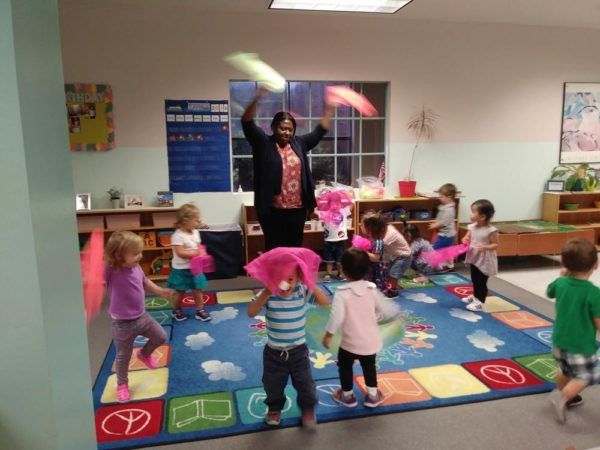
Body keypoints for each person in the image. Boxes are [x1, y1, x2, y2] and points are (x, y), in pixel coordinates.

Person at [242, 86, 335, 250]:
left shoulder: (299, 143)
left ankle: (290, 277)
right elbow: (247, 123)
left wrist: (329, 108)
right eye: (282, 128)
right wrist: (257, 97)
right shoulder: (263, 144)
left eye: (290, 129)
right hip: (272, 210)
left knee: (294, 248)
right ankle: (277, 276)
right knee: (275, 249)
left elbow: (319, 132)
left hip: (297, 210)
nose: (286, 132)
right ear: (273, 128)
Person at [247, 265, 329, 429]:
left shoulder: (301, 291)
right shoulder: (268, 293)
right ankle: (274, 407)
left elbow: (325, 303)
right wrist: (266, 292)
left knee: (305, 384)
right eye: (279, 279)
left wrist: (310, 284)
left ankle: (307, 409)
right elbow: (251, 312)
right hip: (274, 353)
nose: (285, 284)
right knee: (272, 385)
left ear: (298, 278)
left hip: (299, 351)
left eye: (290, 279)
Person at [104, 231, 173, 403]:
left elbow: (145, 282)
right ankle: (121, 385)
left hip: (142, 316)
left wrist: (159, 291)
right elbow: (96, 274)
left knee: (161, 336)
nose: (140, 256)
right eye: (135, 254)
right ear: (119, 255)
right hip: (121, 324)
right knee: (123, 356)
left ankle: (144, 354)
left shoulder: (137, 267)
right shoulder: (112, 270)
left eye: (140, 252)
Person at [322, 248, 389, 408]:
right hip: (369, 342)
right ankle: (372, 395)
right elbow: (383, 310)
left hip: (349, 343)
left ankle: (347, 396)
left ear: (343, 270)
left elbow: (336, 316)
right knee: (369, 366)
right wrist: (375, 318)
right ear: (367, 269)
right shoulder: (372, 289)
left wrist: (329, 334)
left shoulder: (342, 293)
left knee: (345, 366)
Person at [546, 238, 600, 423]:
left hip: (559, 342)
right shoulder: (594, 293)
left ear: (564, 263)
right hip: (580, 346)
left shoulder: (561, 283)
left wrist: (561, 276)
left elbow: (549, 291)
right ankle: (563, 396)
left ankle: (567, 394)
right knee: (587, 374)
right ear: (596, 264)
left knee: (566, 371)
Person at [168, 203, 212, 321]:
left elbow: (198, 247)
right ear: (185, 220)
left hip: (195, 268)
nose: (199, 221)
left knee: (198, 289)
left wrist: (202, 253)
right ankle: (176, 309)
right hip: (181, 269)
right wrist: (196, 253)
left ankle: (200, 310)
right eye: (196, 220)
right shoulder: (177, 236)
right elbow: (180, 252)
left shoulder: (195, 232)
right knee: (180, 291)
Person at [361, 211, 411, 297]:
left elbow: (376, 255)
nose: (361, 227)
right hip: (394, 255)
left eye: (363, 225)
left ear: (371, 228)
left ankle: (393, 292)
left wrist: (363, 251)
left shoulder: (388, 236)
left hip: (404, 256)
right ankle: (391, 286)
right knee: (389, 274)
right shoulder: (382, 231)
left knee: (393, 275)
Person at [461, 199, 498, 311]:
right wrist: (465, 239)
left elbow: (495, 244)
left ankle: (480, 302)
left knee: (481, 281)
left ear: (482, 217)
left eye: (473, 212)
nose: (470, 214)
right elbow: (467, 237)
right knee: (475, 278)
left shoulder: (490, 230)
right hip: (475, 257)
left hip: (485, 260)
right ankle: (475, 296)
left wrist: (486, 247)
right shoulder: (472, 227)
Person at [321, 201, 352, 282]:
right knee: (328, 259)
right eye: (331, 202)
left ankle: (340, 273)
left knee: (340, 259)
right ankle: (329, 273)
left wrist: (348, 198)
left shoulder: (344, 210)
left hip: (340, 239)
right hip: (328, 239)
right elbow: (316, 210)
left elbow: (352, 205)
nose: (334, 204)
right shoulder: (325, 211)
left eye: (336, 202)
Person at [429, 182, 458, 251]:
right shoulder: (445, 207)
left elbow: (444, 222)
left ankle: (437, 260)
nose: (439, 198)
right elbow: (442, 217)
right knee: (443, 250)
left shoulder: (449, 209)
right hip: (444, 234)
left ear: (450, 196)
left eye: (441, 196)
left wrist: (435, 225)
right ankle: (443, 260)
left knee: (436, 249)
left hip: (446, 235)